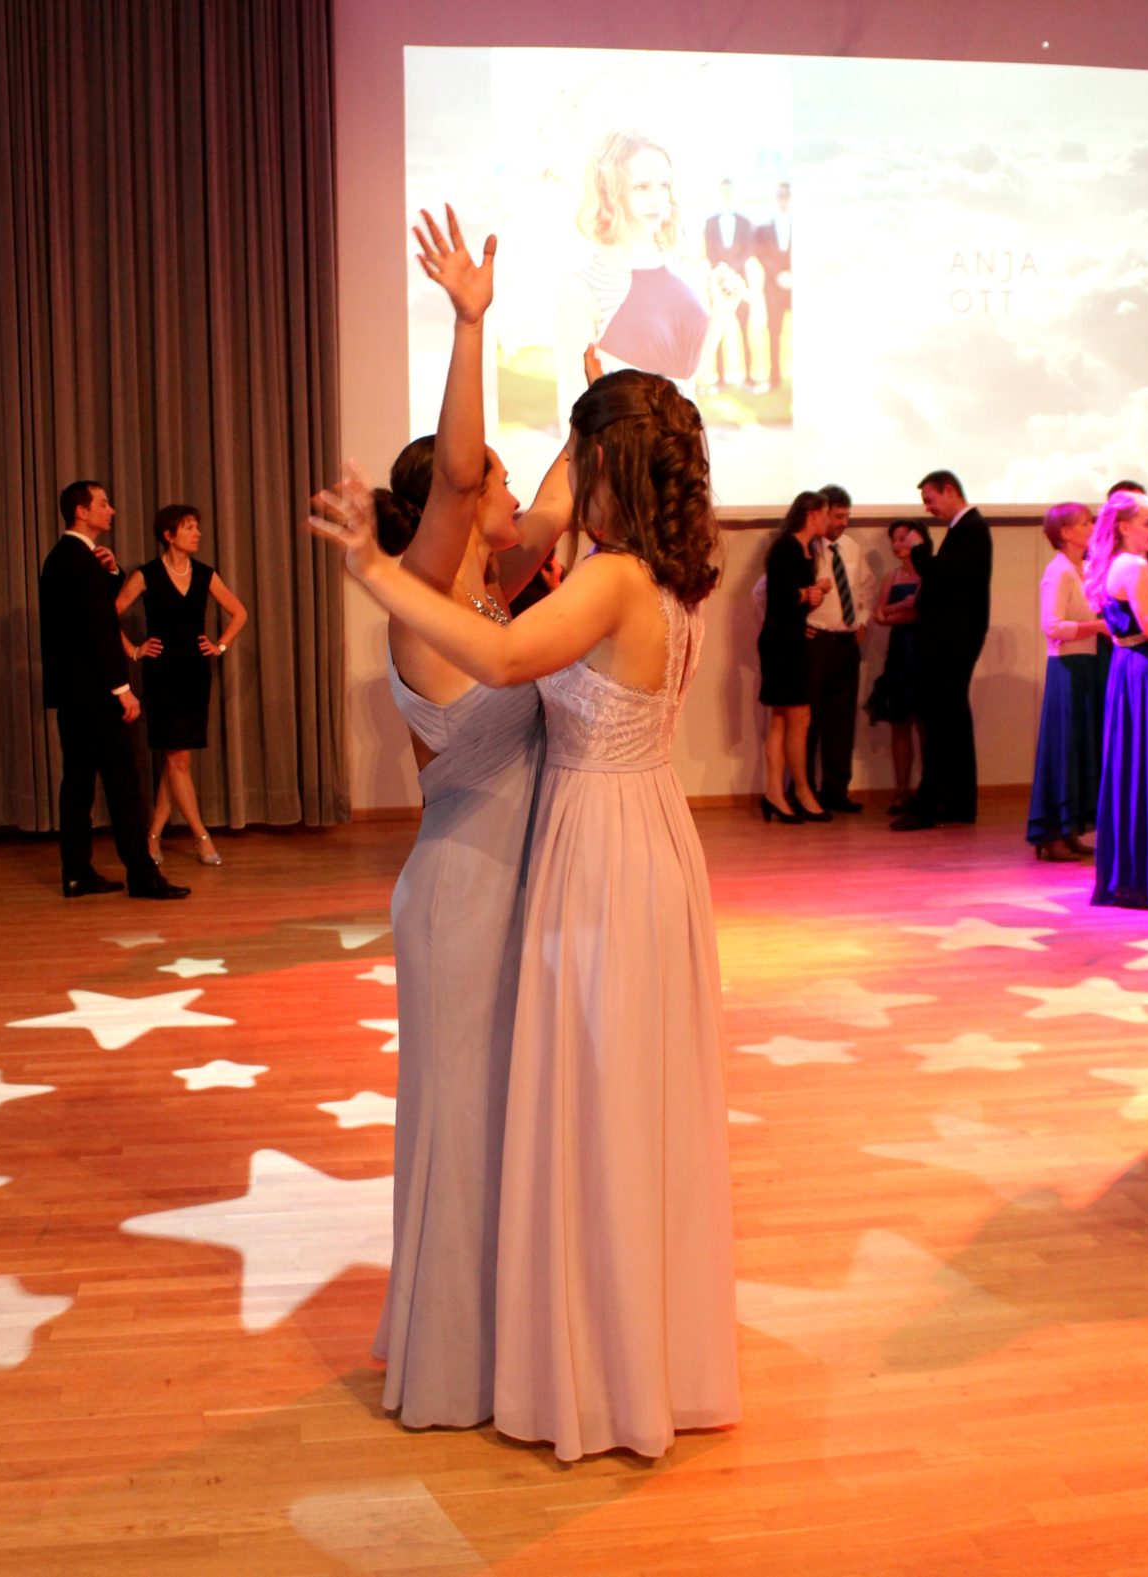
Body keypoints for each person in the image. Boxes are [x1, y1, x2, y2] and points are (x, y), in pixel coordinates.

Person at [312, 367, 740, 1464]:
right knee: (620, 1108)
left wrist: (369, 569)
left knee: (598, 1110)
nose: (547, 487)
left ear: (609, 468)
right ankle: (618, 1353)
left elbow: (504, 655)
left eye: (579, 456)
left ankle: (594, 1368)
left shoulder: (607, 581)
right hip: (638, 839)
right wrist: (607, 403)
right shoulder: (660, 571)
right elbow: (530, 501)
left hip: (599, 852)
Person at [331, 209, 570, 1431]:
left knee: (502, 1119)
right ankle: (451, 1361)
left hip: (514, 891)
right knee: (462, 1118)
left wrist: (604, 408)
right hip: (462, 893)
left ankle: (501, 1345)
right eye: (491, 482)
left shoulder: (494, 597)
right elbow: (470, 471)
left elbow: (561, 496)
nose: (509, 490)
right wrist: (469, 324)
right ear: (453, 504)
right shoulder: (424, 594)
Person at [39, 483, 189, 900]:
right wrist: (122, 688)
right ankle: (142, 876)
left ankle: (76, 873)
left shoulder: (63, 558)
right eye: (103, 504)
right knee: (123, 783)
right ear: (81, 511)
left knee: (78, 783)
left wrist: (111, 573)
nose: (112, 510)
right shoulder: (78, 561)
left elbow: (83, 619)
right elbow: (99, 629)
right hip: (96, 692)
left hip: (72, 693)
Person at [554, 130, 742, 424]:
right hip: (628, 450)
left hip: (689, 445)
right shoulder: (584, 286)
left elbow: (688, 375)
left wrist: (722, 311)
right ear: (610, 191)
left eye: (663, 186)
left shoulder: (685, 269)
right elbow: (573, 409)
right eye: (641, 187)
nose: (656, 200)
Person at [116, 506, 247, 868]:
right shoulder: (146, 575)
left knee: (177, 760)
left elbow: (239, 612)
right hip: (162, 676)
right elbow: (109, 614)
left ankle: (152, 836)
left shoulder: (205, 574)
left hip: (195, 675)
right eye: (189, 527)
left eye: (197, 527)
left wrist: (220, 646)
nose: (197, 533)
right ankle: (201, 837)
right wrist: (133, 650)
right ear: (169, 535)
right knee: (178, 761)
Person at [1085, 490, 1148, 912]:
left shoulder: (1113, 563)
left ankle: (1134, 873)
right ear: (1124, 527)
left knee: (1133, 765)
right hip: (1144, 666)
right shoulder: (1135, 565)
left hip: (1126, 665)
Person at [891, 469, 992, 830]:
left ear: (949, 490)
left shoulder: (971, 529)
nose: (928, 508)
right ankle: (958, 802)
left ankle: (929, 805)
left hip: (952, 641)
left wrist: (919, 550)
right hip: (954, 639)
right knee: (952, 721)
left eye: (930, 500)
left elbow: (944, 578)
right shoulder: (966, 529)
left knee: (939, 722)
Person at [1025, 503, 1109, 862]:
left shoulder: (1084, 568)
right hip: (1067, 668)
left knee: (1078, 747)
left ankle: (1068, 827)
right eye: (1085, 523)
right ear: (1065, 532)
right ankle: (1051, 832)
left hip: (1087, 666)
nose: (1092, 528)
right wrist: (1098, 626)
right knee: (1063, 747)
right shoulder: (1058, 571)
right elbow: (1053, 625)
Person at [757, 491, 833, 823]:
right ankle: (801, 791)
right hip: (782, 645)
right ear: (812, 513)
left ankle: (775, 793)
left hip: (789, 639)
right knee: (799, 718)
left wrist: (811, 596)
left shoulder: (805, 550)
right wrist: (809, 593)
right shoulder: (786, 548)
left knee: (781, 719)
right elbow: (777, 596)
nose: (828, 520)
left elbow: (794, 601)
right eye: (826, 513)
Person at [804, 484, 874, 812]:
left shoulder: (852, 548)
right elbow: (765, 593)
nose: (843, 523)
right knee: (809, 720)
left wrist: (863, 620)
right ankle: (803, 790)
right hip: (817, 644)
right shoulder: (806, 549)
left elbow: (866, 588)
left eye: (847, 516)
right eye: (837, 516)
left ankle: (836, 790)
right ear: (821, 514)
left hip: (846, 644)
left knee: (841, 721)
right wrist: (795, 625)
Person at [865, 519, 931, 813]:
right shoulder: (892, 575)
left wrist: (894, 613)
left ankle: (929, 788)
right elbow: (879, 613)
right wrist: (901, 607)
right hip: (899, 655)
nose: (897, 544)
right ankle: (901, 790)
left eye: (903, 538)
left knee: (926, 724)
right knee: (900, 723)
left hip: (923, 652)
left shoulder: (928, 574)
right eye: (894, 539)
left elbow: (920, 614)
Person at [703, 179, 757, 389]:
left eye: (729, 190)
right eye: (723, 190)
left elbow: (749, 250)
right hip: (717, 284)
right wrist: (723, 273)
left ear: (732, 192)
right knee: (718, 330)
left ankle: (749, 376)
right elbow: (709, 251)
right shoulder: (710, 222)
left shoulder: (744, 222)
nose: (726, 193)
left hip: (740, 283)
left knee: (744, 329)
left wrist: (733, 271)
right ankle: (720, 378)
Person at [754, 181, 792, 390]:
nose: (783, 198)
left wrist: (793, 274)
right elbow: (760, 253)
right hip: (773, 287)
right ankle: (774, 377)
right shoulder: (764, 227)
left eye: (786, 195)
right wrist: (779, 274)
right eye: (780, 195)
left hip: (798, 287)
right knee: (774, 333)